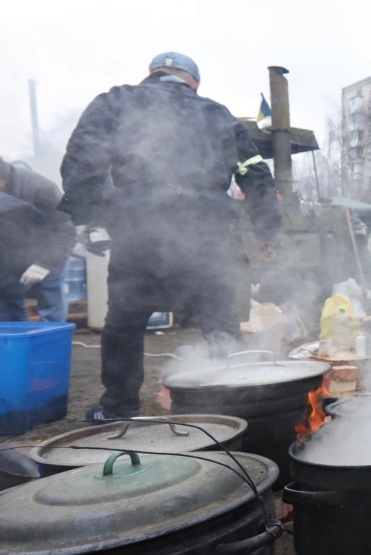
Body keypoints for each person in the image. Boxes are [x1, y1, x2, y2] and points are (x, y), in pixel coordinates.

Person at [59, 52, 282, 421]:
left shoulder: (117, 101)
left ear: (152, 75)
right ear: (194, 82)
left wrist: (87, 218)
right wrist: (265, 233)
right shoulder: (218, 114)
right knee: (220, 322)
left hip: (140, 230)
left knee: (125, 323)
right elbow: (256, 175)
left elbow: (84, 156)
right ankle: (237, 408)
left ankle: (118, 410)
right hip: (206, 232)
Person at [0, 158, 76, 322]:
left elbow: (65, 230)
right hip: (18, 245)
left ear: (4, 180)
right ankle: (15, 340)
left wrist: (44, 264)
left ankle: (51, 340)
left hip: (53, 242)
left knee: (49, 290)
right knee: (8, 292)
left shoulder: (41, 189)